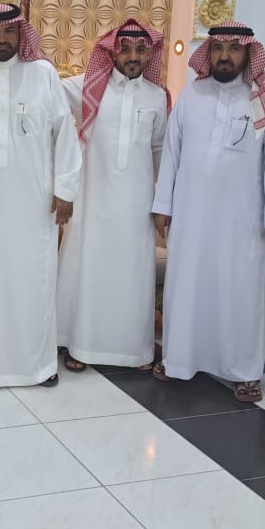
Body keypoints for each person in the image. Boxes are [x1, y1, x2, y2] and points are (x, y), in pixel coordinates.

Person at [151, 22, 265, 402]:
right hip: (191, 214)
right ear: (208, 53)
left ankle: (244, 371)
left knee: (241, 291)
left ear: (248, 54)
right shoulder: (191, 95)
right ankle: (179, 360)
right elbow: (172, 155)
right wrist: (163, 206)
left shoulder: (263, 101)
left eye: (234, 49)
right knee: (187, 285)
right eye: (217, 48)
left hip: (242, 219)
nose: (225, 56)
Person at [0, 3, 81, 387]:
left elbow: (64, 133)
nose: (2, 39)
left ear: (21, 34)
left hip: (35, 202)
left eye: (9, 31)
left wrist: (65, 190)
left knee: (34, 280)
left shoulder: (43, 74)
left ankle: (38, 365)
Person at [57, 19, 169, 372]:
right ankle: (79, 344)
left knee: (131, 275)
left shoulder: (157, 96)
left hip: (136, 203)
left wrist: (165, 202)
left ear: (149, 54)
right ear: (112, 52)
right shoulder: (87, 86)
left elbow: (159, 150)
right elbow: (45, 91)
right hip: (92, 197)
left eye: (140, 50)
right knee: (88, 268)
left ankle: (134, 351)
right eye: (125, 49)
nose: (133, 57)